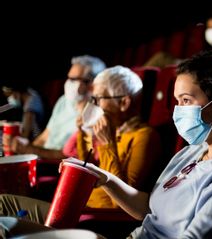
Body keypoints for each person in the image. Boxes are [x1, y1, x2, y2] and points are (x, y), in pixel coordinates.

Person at [63, 51, 212, 238]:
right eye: (177, 101)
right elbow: (148, 208)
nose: (178, 111)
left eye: (186, 100)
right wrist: (104, 177)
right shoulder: (191, 152)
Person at [0, 65, 163, 219]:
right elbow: (88, 170)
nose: (94, 105)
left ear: (124, 103)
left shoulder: (144, 136)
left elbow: (121, 200)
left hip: (94, 216)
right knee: (5, 203)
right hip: (78, 205)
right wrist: (83, 134)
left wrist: (108, 145)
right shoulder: (112, 130)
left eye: (99, 99)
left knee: (4, 205)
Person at [10, 55, 106, 160]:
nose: (68, 83)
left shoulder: (96, 115)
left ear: (92, 83)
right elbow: (44, 137)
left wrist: (29, 150)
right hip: (40, 160)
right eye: (68, 78)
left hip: (57, 167)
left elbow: (71, 157)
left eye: (73, 79)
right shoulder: (63, 101)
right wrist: (24, 152)